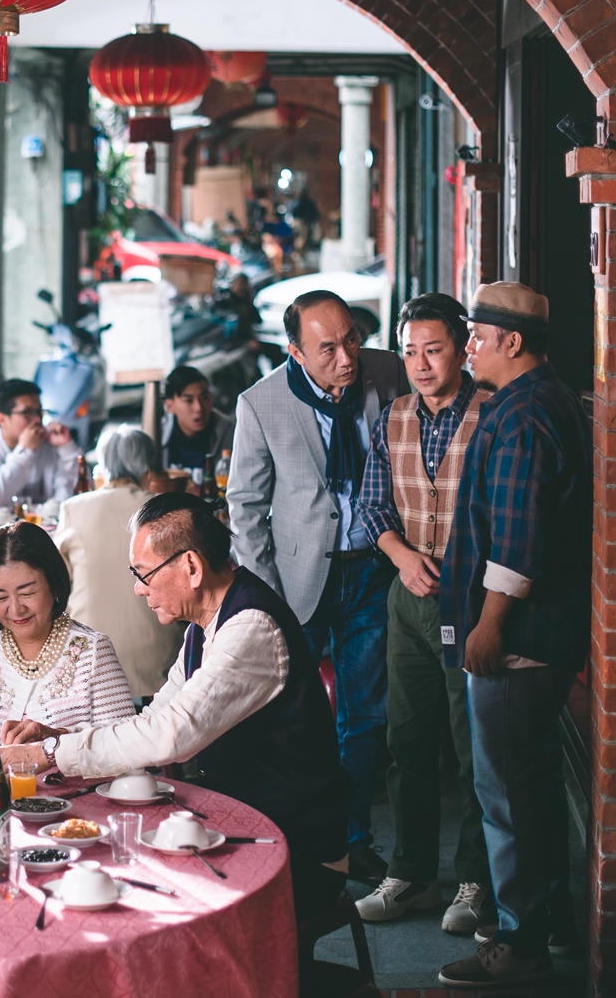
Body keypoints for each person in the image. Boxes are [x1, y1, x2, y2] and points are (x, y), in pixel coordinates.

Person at [19, 494, 353, 922]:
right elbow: (154, 719)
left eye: (144, 574)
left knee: (150, 906)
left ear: (191, 568)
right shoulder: (204, 623)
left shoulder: (251, 627)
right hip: (244, 827)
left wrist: (45, 756)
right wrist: (59, 740)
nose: (138, 588)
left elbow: (169, 737)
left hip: (297, 847)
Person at [431, 282, 589, 989]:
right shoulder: (531, 401)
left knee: (507, 795)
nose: (468, 348)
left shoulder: (525, 414)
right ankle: (548, 924)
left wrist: (489, 624)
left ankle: (520, 942)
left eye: (477, 336)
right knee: (529, 787)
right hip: (532, 633)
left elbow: (517, 543)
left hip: (518, 637)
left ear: (512, 342)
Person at [225, 289, 410, 885]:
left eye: (351, 338)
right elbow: (245, 506)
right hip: (296, 580)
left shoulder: (390, 372)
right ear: (296, 351)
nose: (346, 357)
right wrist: (267, 595)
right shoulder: (261, 404)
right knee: (295, 716)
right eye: (327, 348)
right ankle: (298, 834)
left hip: (372, 568)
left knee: (365, 714)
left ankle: (350, 841)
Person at [354, 293, 493, 933]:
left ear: (462, 349)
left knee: (471, 750)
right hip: (407, 597)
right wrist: (401, 556)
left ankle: (475, 881)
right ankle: (409, 875)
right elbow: (374, 507)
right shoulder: (395, 416)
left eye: (433, 350)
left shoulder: (492, 414)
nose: (419, 364)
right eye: (410, 351)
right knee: (405, 741)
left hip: (473, 599)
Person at [0, 522, 132, 744]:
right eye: (0, 597)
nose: (16, 609)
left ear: (54, 584)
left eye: (27, 592)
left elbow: (125, 742)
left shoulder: (93, 652)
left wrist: (57, 738)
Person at [53, 426, 183, 699]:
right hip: (156, 659)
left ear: (103, 466)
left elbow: (57, 586)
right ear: (148, 468)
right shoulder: (168, 510)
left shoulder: (73, 508)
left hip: (88, 654)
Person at [0, 378, 81, 514]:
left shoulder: (49, 441)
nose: (37, 420)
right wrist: (26, 452)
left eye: (39, 412)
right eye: (27, 413)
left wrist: (66, 447)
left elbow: (68, 498)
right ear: (2, 419)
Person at [159, 365, 237, 476]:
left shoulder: (230, 434)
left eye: (204, 398)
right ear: (170, 406)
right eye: (189, 400)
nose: (199, 408)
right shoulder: (158, 436)